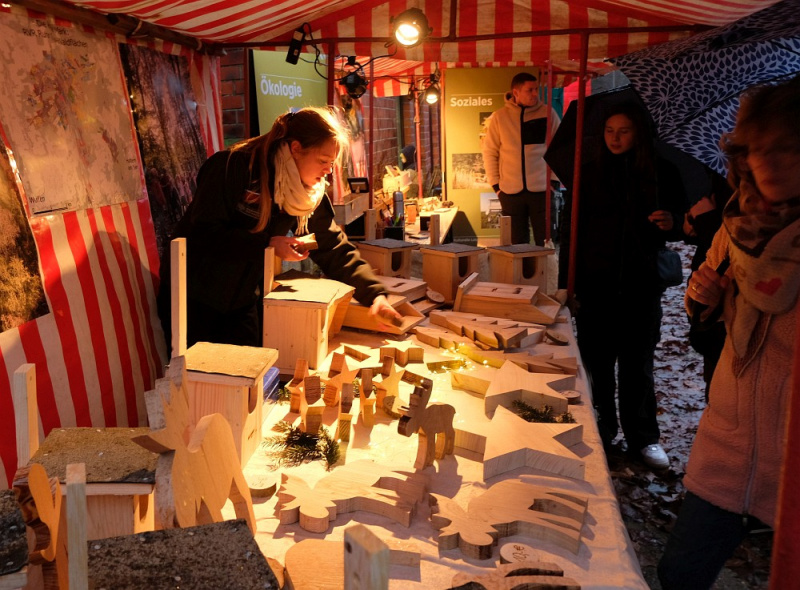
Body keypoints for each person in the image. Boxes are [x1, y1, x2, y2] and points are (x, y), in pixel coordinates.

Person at [658, 74, 800, 590]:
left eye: (787, 147)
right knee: (679, 574)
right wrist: (704, 297)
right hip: (728, 441)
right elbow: (702, 302)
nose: (770, 161)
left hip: (792, 458)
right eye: (760, 148)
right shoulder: (737, 221)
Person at [156, 107, 399, 354]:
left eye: (332, 163)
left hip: (241, 300)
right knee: (199, 375)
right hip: (193, 298)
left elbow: (333, 247)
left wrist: (375, 295)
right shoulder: (233, 166)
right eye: (323, 161)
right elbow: (204, 234)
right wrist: (267, 244)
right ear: (296, 149)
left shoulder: (306, 193)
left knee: (252, 369)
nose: (328, 171)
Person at [558, 103, 687, 470]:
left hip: (640, 285)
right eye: (609, 131)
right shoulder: (587, 174)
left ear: (639, 133)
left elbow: (685, 223)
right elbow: (570, 233)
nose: (614, 138)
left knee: (637, 365)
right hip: (596, 285)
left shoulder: (662, 172)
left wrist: (673, 222)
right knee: (596, 363)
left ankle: (643, 437)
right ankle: (601, 427)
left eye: (624, 131)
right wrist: (567, 285)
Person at [481, 72, 560, 246]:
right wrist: (496, 185)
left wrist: (554, 182)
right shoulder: (500, 117)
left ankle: (546, 266)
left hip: (542, 191)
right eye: (529, 90)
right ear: (515, 92)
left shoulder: (548, 114)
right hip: (510, 193)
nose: (535, 94)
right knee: (516, 245)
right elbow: (490, 152)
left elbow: (560, 148)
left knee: (546, 243)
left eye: (536, 89)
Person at [682, 171, 732, 402]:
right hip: (714, 320)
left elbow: (740, 249)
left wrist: (706, 219)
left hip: (736, 334)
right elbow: (714, 246)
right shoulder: (721, 178)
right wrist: (691, 224)